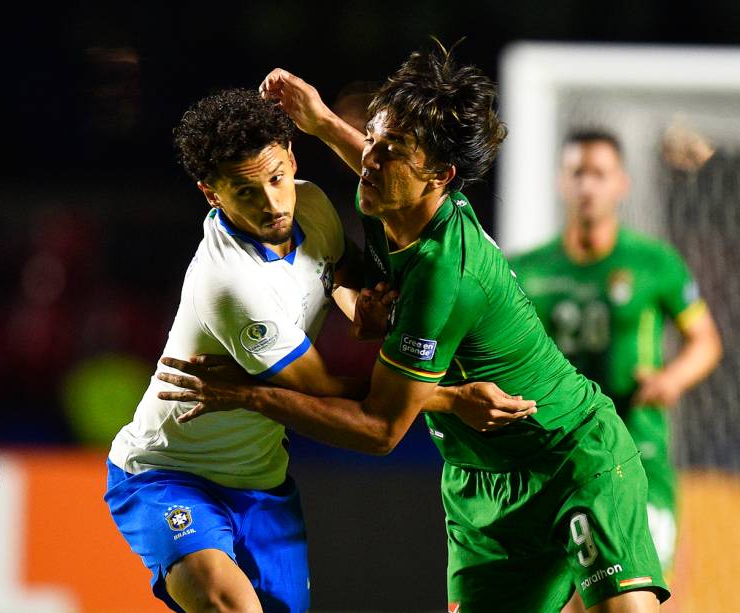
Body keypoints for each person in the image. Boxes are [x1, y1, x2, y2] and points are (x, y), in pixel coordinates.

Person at [158, 43, 671, 611]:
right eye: (372, 140)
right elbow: (379, 164)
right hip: (480, 483)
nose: (370, 161)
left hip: (569, 456)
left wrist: (248, 396)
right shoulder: (391, 198)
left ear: (440, 176)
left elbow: (379, 429)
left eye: (390, 151)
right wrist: (326, 121)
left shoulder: (443, 277)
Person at [103, 87, 531, 613]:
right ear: (211, 194)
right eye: (244, 191)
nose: (271, 202)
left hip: (263, 480)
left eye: (277, 177)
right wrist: (452, 397)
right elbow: (325, 391)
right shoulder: (233, 285)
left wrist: (361, 311)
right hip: (169, 472)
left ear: (292, 158)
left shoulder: (312, 204)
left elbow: (340, 273)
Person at [509, 129, 722, 610]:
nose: (588, 186)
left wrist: (672, 379)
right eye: (577, 173)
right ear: (562, 183)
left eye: (599, 174)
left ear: (621, 183)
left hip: (637, 456)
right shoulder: (527, 269)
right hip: (557, 461)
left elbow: (705, 342)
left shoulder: (655, 263)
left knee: (637, 598)